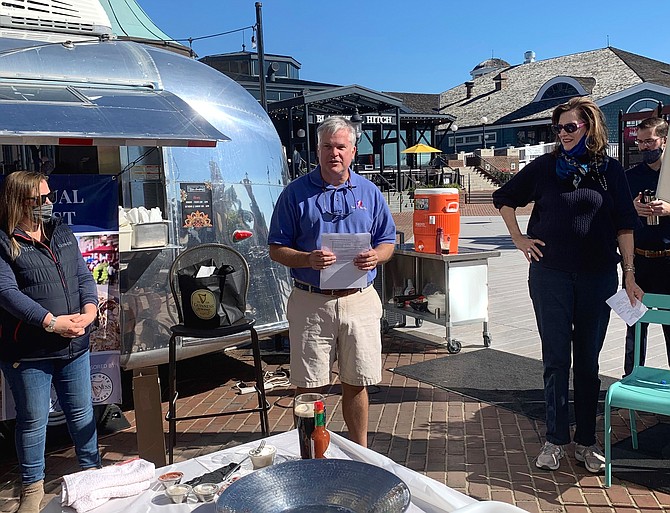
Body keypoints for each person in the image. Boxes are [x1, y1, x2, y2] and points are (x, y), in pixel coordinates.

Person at [492, 97, 642, 473]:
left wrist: (629, 273)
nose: (563, 133)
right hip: (551, 277)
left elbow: (625, 224)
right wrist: (518, 238)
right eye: (557, 128)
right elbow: (505, 198)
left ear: (588, 128)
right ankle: (556, 439)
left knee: (588, 362)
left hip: (598, 278)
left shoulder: (610, 171)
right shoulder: (544, 167)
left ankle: (586, 442)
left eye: (569, 127)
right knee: (556, 360)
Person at [268, 116, 396, 447]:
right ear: (318, 150)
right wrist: (306, 259)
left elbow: (388, 241)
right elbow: (276, 249)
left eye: (341, 147)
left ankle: (361, 452)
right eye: (327, 146)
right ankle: (311, 454)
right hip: (311, 301)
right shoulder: (294, 194)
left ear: (353, 151)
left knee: (357, 382)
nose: (334, 153)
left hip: (359, 299)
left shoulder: (370, 192)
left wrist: (376, 257)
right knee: (309, 386)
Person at [0, 171, 100, 513]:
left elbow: (83, 275)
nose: (47, 203)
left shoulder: (61, 231)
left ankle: (93, 472)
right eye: (38, 199)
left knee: (82, 412)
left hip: (74, 346)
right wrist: (51, 322)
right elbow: (6, 293)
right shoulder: (3, 240)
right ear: (18, 200)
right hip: (29, 351)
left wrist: (89, 311)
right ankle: (32, 488)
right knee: (33, 420)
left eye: (48, 196)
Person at [623, 117, 670, 376]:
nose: (643, 147)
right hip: (639, 262)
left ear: (664, 140)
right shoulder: (629, 177)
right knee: (635, 329)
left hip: (668, 261)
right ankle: (630, 381)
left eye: (649, 141)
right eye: (639, 142)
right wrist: (632, 208)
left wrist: (669, 209)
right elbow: (615, 215)